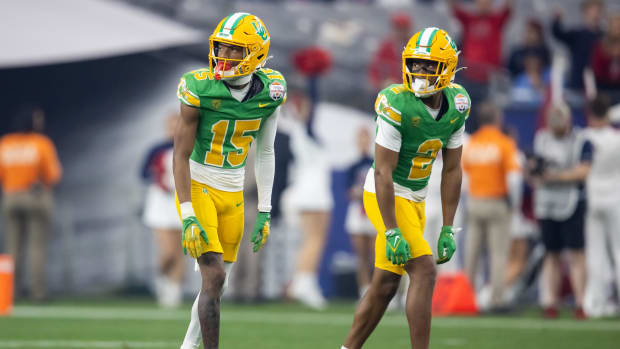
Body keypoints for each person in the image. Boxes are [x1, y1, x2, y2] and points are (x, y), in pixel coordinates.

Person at [341, 27, 469, 349]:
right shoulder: (395, 102)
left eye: (428, 65)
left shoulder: (457, 104)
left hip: (416, 197)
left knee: (385, 284)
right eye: (415, 64)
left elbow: (452, 169)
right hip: (385, 192)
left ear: (448, 68)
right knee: (423, 270)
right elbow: (383, 171)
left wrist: (449, 228)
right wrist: (392, 230)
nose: (420, 72)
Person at [173, 13, 285, 349]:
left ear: (255, 53)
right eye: (220, 46)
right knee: (215, 275)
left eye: (234, 49)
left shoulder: (272, 90)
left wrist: (264, 209)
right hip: (199, 182)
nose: (223, 54)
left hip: (234, 189)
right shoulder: (198, 86)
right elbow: (179, 154)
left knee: (216, 285)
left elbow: (266, 152)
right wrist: (189, 213)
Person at [530, 103, 591, 319]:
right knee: (551, 254)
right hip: (547, 203)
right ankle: (550, 302)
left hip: (570, 202)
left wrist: (554, 177)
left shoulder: (581, 140)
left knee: (576, 254)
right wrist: (534, 170)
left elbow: (582, 171)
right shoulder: (542, 138)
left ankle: (582, 302)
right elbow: (533, 169)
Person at [462, 102, 522, 311]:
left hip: (474, 202)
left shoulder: (473, 143)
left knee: (472, 252)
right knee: (498, 254)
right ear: (498, 119)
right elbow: (514, 178)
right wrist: (514, 203)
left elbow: (465, 176)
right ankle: (497, 299)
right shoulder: (504, 143)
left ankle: (466, 297)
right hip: (497, 201)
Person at [0, 106, 62, 301]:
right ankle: (37, 292)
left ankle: (10, 292)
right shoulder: (41, 144)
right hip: (35, 196)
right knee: (36, 246)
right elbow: (53, 175)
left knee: (13, 247)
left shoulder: (5, 143)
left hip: (11, 196)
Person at [141, 114, 183, 308]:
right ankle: (160, 276)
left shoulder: (191, 147)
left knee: (179, 250)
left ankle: (174, 291)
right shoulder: (156, 149)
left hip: (181, 202)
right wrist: (159, 180)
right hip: (161, 203)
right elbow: (143, 174)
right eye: (171, 125)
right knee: (167, 251)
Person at [583, 94, 620, 318]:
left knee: (595, 253)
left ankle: (595, 303)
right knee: (618, 250)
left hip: (593, 197)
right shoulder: (617, 138)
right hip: (615, 197)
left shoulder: (584, 137)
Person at [345, 127, 375, 298]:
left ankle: (377, 290)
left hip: (372, 210)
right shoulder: (352, 166)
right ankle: (364, 290)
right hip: (357, 212)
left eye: (366, 138)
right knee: (361, 256)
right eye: (360, 138)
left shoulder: (375, 163)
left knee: (376, 254)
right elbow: (347, 191)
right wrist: (357, 192)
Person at [552, 0, 604, 91]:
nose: (596, 14)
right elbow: (558, 34)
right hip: (577, 83)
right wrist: (557, 19)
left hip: (598, 85)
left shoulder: (603, 36)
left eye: (599, 10)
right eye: (593, 10)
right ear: (585, 12)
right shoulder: (577, 34)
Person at [368, 13, 414, 91]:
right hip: (388, 91)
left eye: (403, 28)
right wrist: (381, 83)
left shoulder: (415, 48)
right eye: (398, 28)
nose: (400, 32)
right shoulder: (386, 46)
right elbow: (374, 70)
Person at [590, 13, 620, 91]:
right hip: (604, 88)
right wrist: (610, 56)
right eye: (614, 26)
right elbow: (596, 69)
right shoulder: (601, 45)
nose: (617, 29)